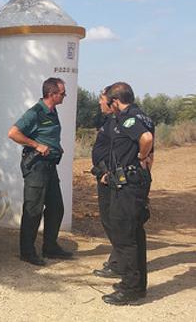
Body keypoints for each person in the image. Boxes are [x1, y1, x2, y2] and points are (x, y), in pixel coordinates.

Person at [8, 77, 73, 266]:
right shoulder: (35, 112)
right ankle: (27, 252)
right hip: (36, 166)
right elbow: (13, 133)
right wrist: (36, 145)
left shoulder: (53, 112)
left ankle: (50, 247)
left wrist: (54, 147)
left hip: (50, 166)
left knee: (56, 208)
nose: (65, 96)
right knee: (33, 209)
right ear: (51, 94)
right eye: (62, 93)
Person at [102, 82, 154, 305]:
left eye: (108, 102)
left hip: (129, 185)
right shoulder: (144, 116)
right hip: (133, 182)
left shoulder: (129, 118)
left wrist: (142, 157)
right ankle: (137, 285)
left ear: (115, 101)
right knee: (135, 234)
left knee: (125, 236)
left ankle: (130, 288)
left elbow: (146, 140)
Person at [90, 86, 122, 279]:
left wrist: (107, 172)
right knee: (110, 219)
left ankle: (119, 263)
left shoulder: (120, 122)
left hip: (110, 177)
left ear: (112, 101)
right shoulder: (108, 120)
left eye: (102, 99)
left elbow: (119, 152)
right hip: (105, 175)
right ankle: (118, 258)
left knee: (113, 220)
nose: (99, 102)